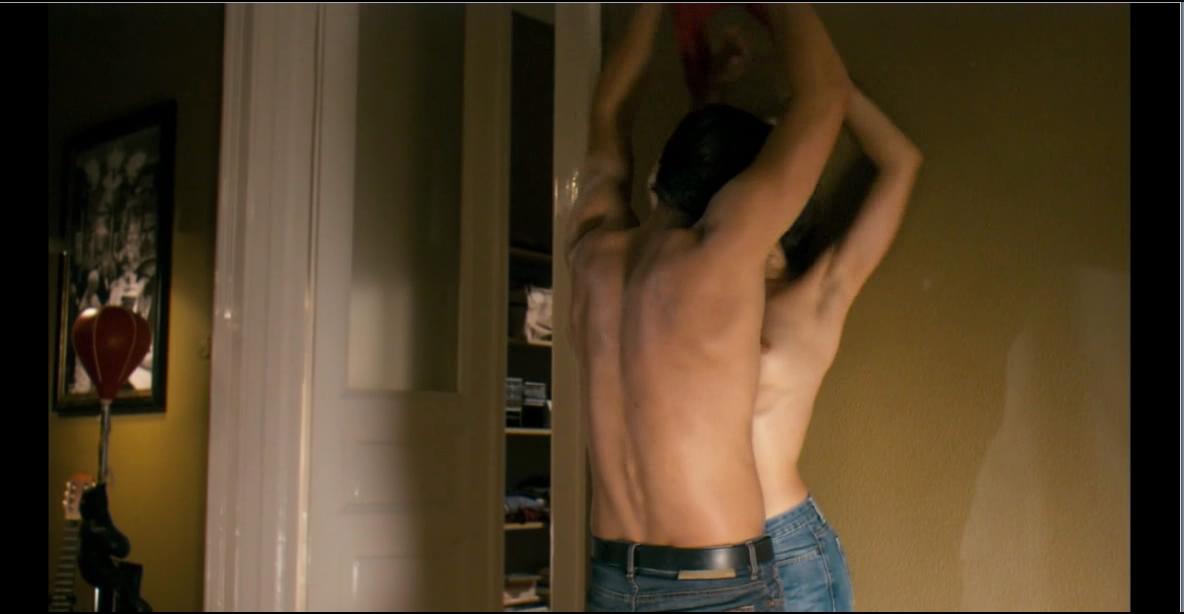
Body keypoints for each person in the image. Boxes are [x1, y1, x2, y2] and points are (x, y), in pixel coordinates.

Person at [568, 4, 853, 611]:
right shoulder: (721, 256)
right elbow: (825, 97)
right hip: (712, 586)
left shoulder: (591, 250)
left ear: (659, 176)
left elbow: (608, 111)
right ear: (737, 197)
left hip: (614, 577)